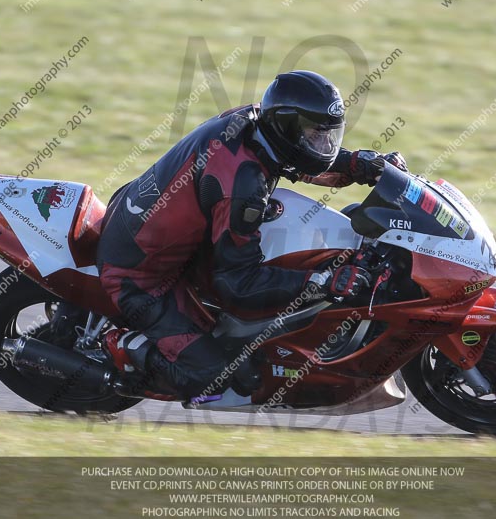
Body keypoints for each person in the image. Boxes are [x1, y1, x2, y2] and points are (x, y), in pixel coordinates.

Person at [96, 70, 407, 401]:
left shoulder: (256, 122)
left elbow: (295, 156)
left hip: (156, 226)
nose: (323, 145)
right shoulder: (242, 186)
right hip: (141, 276)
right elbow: (237, 284)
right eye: (315, 135)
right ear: (286, 126)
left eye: (327, 136)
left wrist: (357, 164)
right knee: (226, 377)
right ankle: (124, 348)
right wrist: (320, 280)